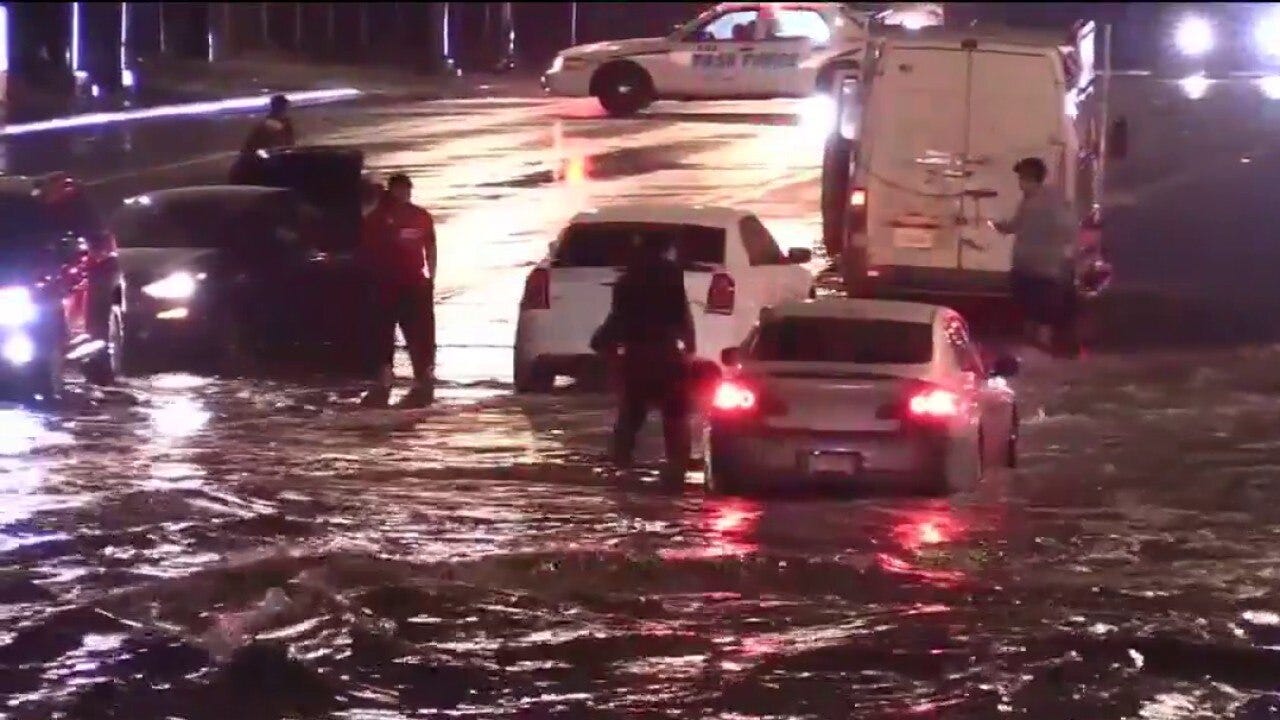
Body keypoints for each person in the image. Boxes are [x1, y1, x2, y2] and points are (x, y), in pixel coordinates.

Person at [591, 232, 697, 486]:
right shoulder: (671, 276)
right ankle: (676, 472)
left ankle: (620, 470)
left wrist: (609, 351)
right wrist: (690, 348)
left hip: (637, 358)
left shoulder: (627, 281)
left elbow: (617, 321)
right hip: (666, 356)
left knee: (631, 417)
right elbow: (682, 316)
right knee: (675, 417)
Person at [359, 173, 438, 409]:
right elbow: (367, 250)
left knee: (420, 332)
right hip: (386, 285)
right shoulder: (377, 217)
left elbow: (431, 246)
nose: (404, 194)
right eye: (399, 190)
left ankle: (423, 372)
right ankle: (385, 373)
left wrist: (431, 277)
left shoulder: (421, 216)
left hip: (414, 284)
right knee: (383, 331)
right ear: (391, 191)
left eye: (407, 190)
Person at [992, 157, 1079, 356]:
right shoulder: (1044, 200)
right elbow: (1018, 225)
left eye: (1022, 178)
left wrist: (1000, 226)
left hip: (1037, 269)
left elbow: (1018, 226)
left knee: (1037, 306)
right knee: (1039, 308)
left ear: (1031, 178)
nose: (1020, 184)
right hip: (1041, 268)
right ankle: (1040, 344)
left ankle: (1039, 345)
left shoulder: (1039, 203)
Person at [229, 94, 296, 184]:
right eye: (284, 108)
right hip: (262, 167)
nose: (286, 111)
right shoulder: (269, 126)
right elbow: (259, 150)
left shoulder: (282, 125)